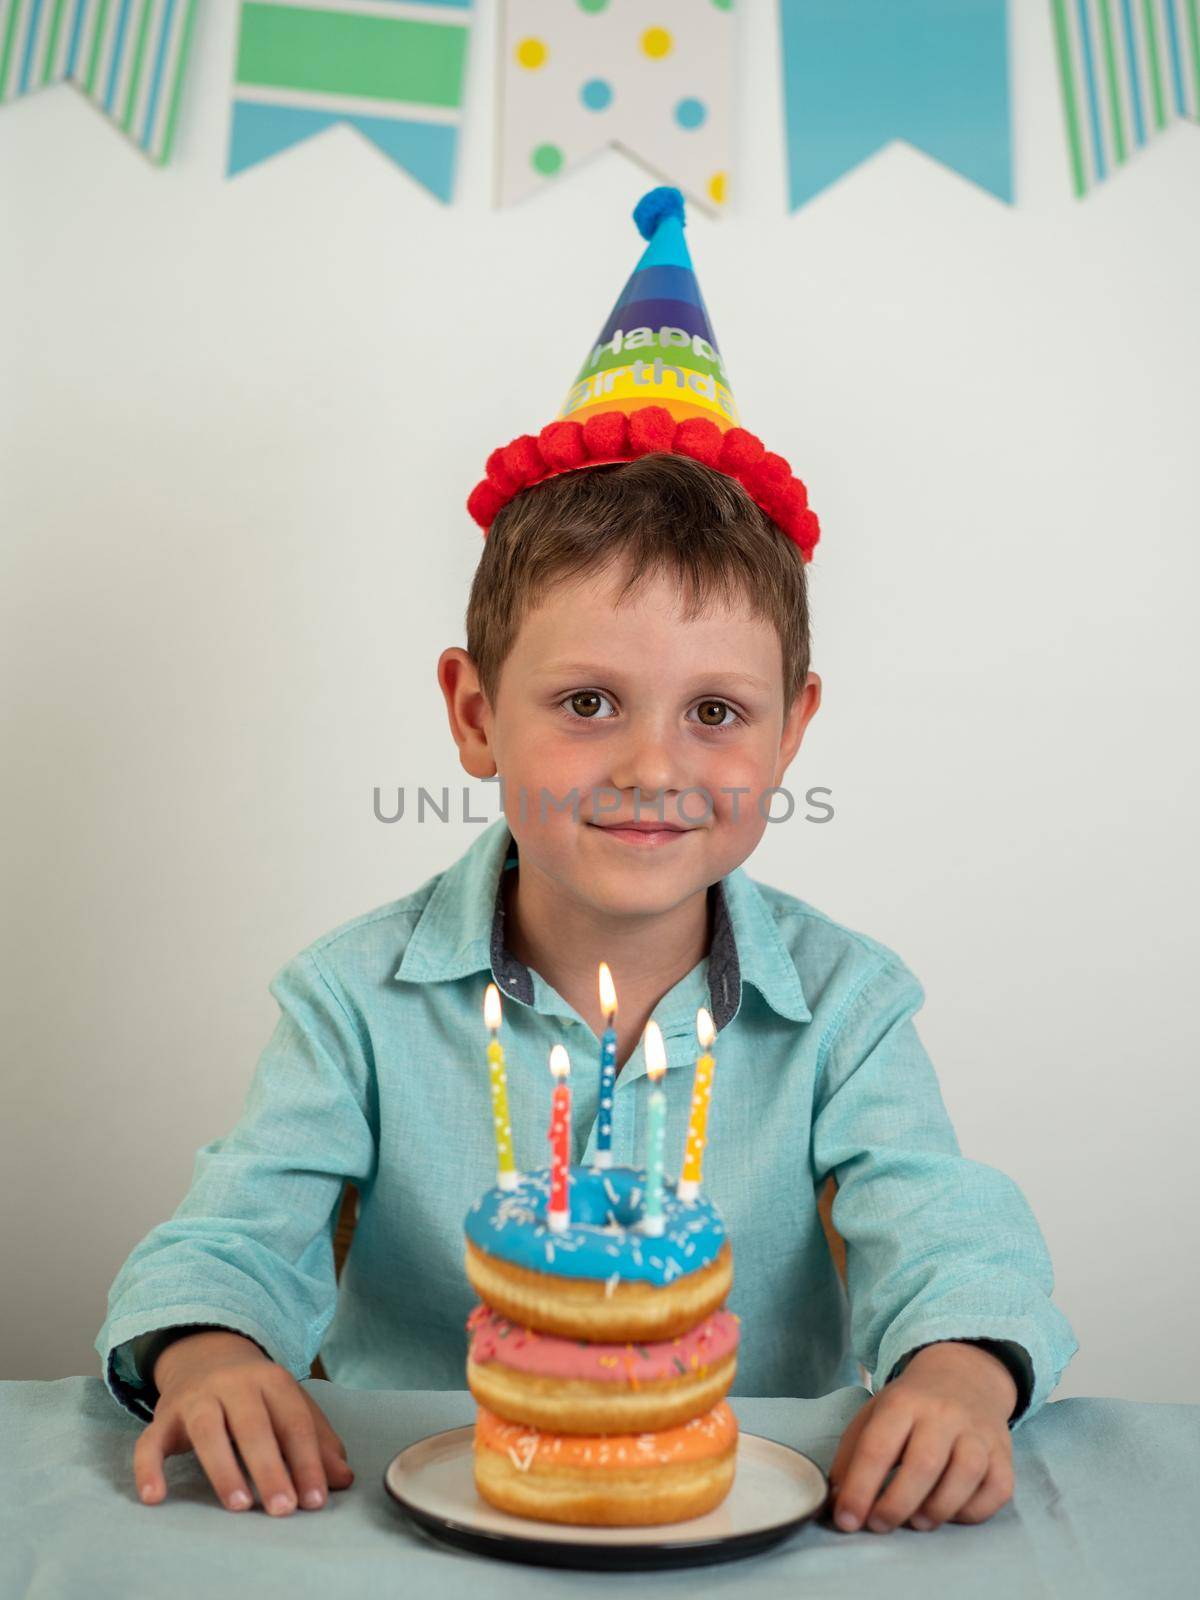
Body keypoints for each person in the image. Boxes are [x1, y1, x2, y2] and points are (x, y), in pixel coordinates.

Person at [96, 190, 1077, 1536]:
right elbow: (230, 1232)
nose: (653, 767)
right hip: (421, 1520)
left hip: (739, 1520)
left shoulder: (847, 1009)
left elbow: (950, 1230)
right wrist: (208, 1349)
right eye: (590, 702)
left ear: (794, 730)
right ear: (475, 712)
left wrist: (965, 1366)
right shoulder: (352, 999)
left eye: (716, 713)